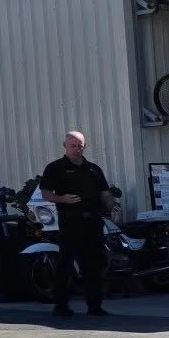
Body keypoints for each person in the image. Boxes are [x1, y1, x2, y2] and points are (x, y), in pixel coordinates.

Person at [37, 131, 112, 317]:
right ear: (65, 145)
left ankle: (94, 306)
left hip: (93, 221)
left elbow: (104, 192)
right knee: (66, 264)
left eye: (80, 146)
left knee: (93, 265)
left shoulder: (93, 169)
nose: (77, 149)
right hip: (71, 221)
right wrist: (61, 198)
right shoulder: (55, 168)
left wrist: (109, 206)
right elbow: (46, 192)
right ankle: (61, 305)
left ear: (84, 146)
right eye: (73, 145)